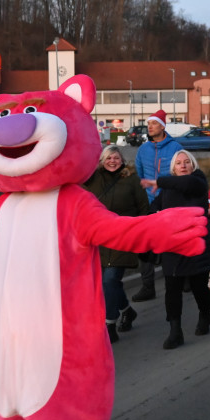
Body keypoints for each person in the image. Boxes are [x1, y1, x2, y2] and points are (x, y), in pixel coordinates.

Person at [143, 150, 210, 348]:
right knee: (172, 288)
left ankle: (205, 313)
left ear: (193, 165)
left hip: (195, 243)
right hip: (173, 245)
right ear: (173, 168)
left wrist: (160, 181)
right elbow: (155, 207)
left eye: (186, 162)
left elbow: (185, 184)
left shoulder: (197, 182)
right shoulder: (168, 189)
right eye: (178, 163)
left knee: (198, 287)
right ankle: (175, 331)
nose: (183, 165)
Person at [82, 145, 149, 342]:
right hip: (99, 239)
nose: (113, 161)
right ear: (102, 160)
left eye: (116, 158)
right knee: (107, 283)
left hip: (123, 237)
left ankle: (109, 323)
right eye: (109, 157)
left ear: (122, 160)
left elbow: (144, 208)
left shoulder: (131, 180)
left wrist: (139, 232)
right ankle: (127, 311)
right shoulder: (92, 179)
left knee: (110, 280)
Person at [132, 109, 182, 302]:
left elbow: (181, 172)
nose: (149, 127)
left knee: (174, 243)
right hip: (148, 205)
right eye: (148, 124)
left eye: (153, 123)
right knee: (145, 245)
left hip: (170, 202)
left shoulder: (175, 147)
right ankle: (148, 286)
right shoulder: (143, 149)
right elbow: (140, 172)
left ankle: (182, 277)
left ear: (162, 126)